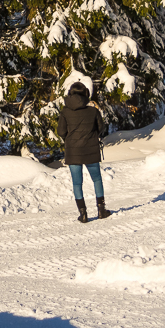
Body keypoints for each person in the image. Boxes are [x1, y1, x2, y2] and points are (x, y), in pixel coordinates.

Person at [57, 83, 108, 223]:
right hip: (90, 149)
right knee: (97, 179)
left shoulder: (65, 112)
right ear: (85, 94)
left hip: (73, 151)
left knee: (77, 183)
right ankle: (101, 210)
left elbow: (61, 131)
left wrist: (70, 138)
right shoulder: (93, 111)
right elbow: (101, 128)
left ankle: (83, 213)